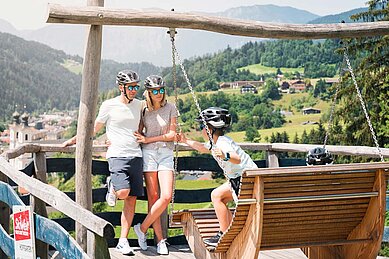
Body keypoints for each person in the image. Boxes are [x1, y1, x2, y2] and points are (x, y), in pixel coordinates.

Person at [63, 70, 144, 256]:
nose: (134, 90)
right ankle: (112, 185)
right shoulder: (109, 105)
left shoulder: (140, 105)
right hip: (117, 155)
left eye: (136, 87)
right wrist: (74, 140)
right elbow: (93, 128)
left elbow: (144, 124)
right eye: (131, 87)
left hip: (136, 156)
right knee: (124, 193)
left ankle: (123, 241)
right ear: (121, 87)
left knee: (131, 200)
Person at [177, 107, 258, 247]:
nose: (201, 129)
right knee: (219, 197)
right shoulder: (217, 141)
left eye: (202, 126)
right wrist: (185, 141)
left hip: (244, 180)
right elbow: (202, 148)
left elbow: (236, 158)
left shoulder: (222, 143)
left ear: (210, 129)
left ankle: (224, 234)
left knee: (216, 196)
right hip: (247, 179)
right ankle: (228, 232)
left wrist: (225, 155)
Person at [132, 75, 177, 255]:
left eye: (161, 90)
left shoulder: (171, 108)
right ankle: (160, 241)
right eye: (155, 91)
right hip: (149, 154)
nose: (159, 94)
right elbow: (137, 130)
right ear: (149, 93)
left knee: (165, 196)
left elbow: (172, 135)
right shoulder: (144, 109)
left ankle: (141, 228)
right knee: (153, 197)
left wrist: (149, 139)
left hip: (165, 153)